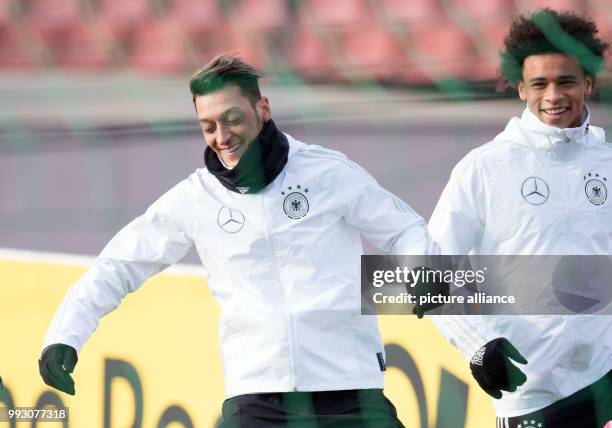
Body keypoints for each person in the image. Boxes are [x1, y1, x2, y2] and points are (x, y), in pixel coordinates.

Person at [38, 54, 440, 427]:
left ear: (262, 109)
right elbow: (120, 266)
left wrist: (420, 269)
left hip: (350, 389)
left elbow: (404, 229)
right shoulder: (194, 198)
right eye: (208, 126)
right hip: (257, 397)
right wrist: (63, 336)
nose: (222, 136)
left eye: (232, 119)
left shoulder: (328, 173)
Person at [428, 8, 612, 428]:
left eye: (566, 81)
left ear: (588, 82)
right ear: (520, 89)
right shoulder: (484, 169)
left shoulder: (608, 164)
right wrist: (477, 343)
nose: (553, 96)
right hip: (532, 392)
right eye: (539, 84)